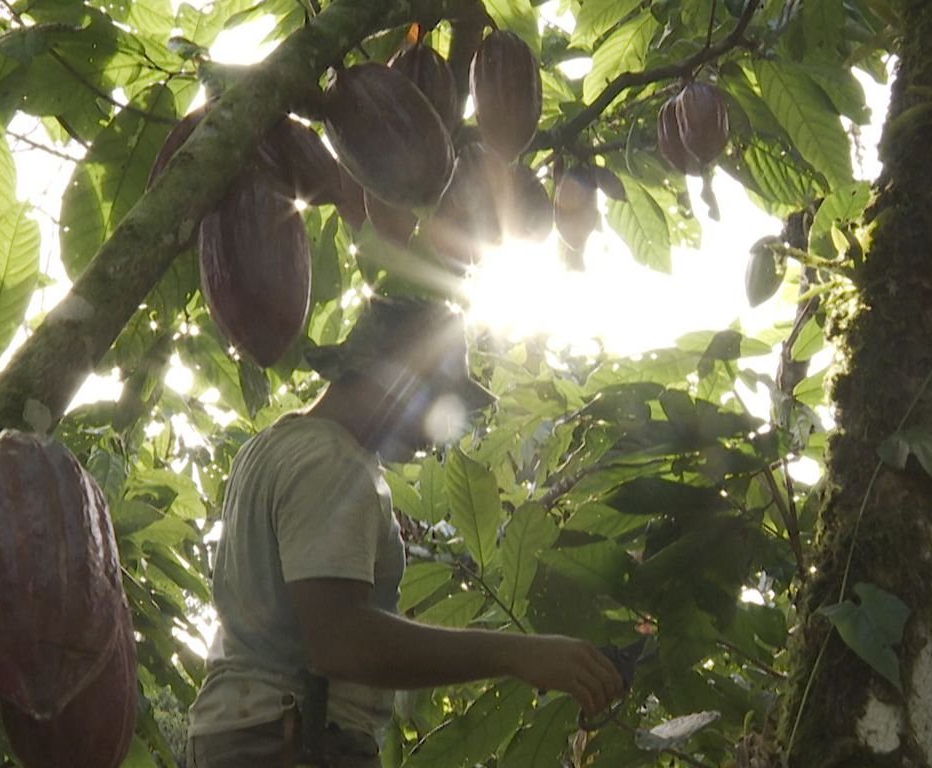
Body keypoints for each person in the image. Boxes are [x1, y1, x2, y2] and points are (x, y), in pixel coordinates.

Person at [186, 295, 625, 767]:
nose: (437, 434)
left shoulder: (271, 447)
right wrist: (518, 654)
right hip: (292, 739)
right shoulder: (331, 463)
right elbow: (339, 639)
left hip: (242, 734)